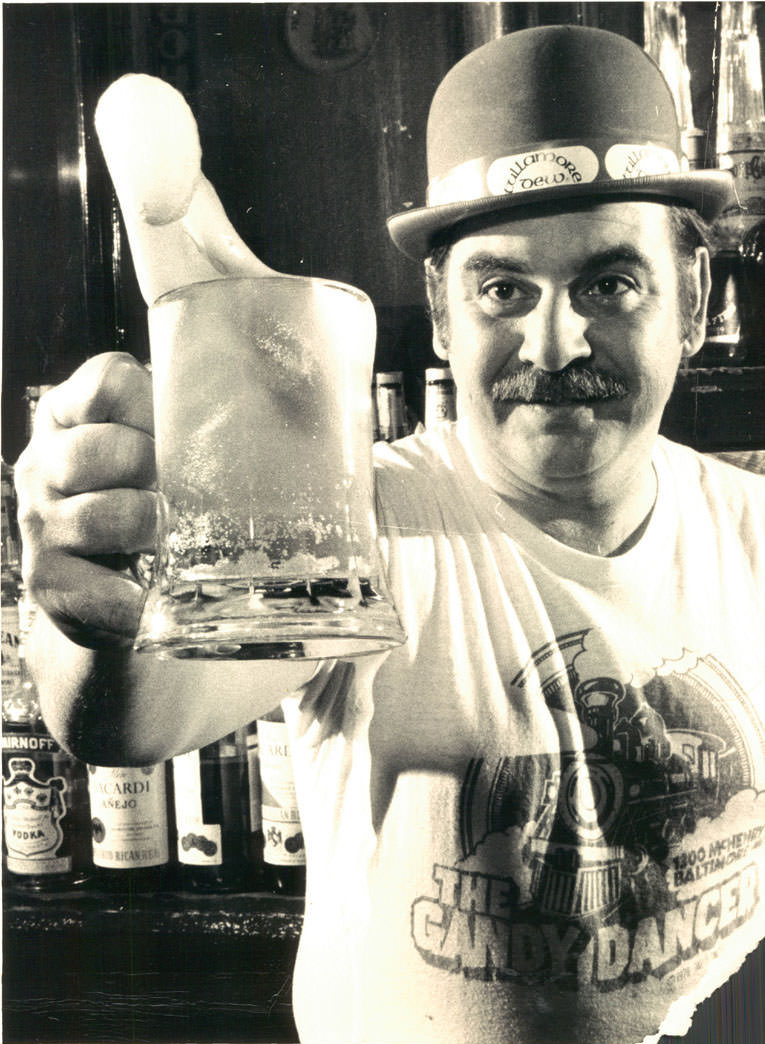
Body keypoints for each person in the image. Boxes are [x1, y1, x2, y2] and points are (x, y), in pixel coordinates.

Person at [14, 25, 765, 1044]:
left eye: (610, 283)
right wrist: (81, 594)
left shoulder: (755, 531)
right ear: (446, 324)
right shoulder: (357, 530)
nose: (555, 342)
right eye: (503, 289)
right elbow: (127, 719)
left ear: (693, 301)